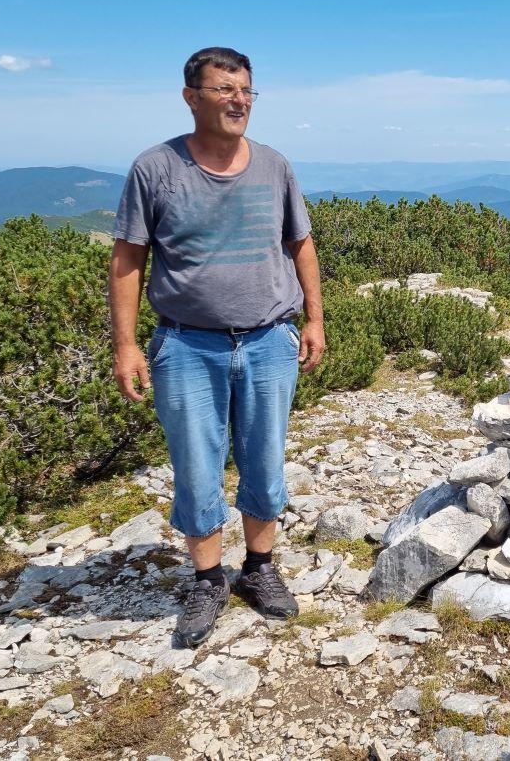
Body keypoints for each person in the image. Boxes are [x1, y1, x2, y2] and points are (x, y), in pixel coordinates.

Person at [108, 46, 325, 647]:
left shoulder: (274, 166)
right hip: (185, 344)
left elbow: (300, 243)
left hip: (269, 339)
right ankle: (208, 580)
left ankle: (259, 569)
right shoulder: (156, 168)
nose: (239, 100)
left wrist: (314, 318)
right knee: (197, 465)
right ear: (191, 97)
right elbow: (128, 259)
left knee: (265, 458)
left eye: (247, 90)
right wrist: (126, 345)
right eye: (225, 89)